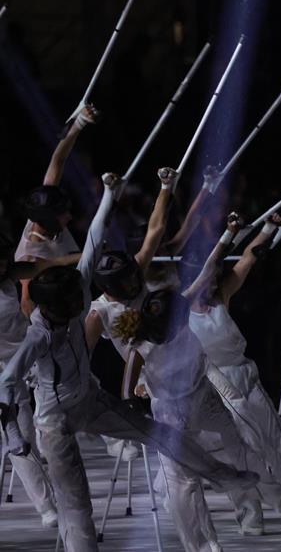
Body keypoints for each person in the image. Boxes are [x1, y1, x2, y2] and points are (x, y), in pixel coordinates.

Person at [0, 172, 256, 552]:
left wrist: (109, 195)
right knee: (77, 507)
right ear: (55, 307)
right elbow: (7, 381)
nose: (79, 301)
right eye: (72, 301)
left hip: (91, 400)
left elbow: (93, 243)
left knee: (163, 436)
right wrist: (14, 437)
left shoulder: (76, 293)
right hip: (55, 422)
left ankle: (223, 475)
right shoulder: (41, 335)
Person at [180, 211, 281, 519]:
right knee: (242, 447)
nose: (213, 280)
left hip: (244, 375)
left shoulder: (220, 296)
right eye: (208, 276)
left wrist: (269, 227)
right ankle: (254, 508)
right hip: (214, 385)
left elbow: (248, 259)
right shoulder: (179, 312)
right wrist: (227, 235)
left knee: (277, 440)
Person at [117, 288, 266, 550]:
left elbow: (202, 364)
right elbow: (127, 392)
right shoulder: (142, 346)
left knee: (235, 444)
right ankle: (204, 544)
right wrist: (137, 406)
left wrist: (231, 395)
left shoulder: (184, 330)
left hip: (203, 400)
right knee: (184, 482)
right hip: (170, 414)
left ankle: (249, 510)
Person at [0, 233, 60, 528]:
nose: (2, 266)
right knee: (17, 437)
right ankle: (47, 507)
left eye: (3, 260)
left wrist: (88, 254)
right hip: (3, 373)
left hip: (24, 358)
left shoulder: (9, 275)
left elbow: (43, 265)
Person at [17, 106, 99, 313]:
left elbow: (58, 159)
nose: (69, 217)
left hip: (78, 284)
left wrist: (79, 124)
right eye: (63, 215)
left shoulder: (44, 204)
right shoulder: (30, 256)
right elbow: (26, 303)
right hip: (63, 307)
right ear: (49, 220)